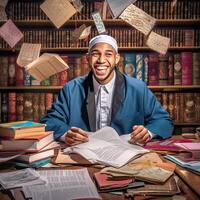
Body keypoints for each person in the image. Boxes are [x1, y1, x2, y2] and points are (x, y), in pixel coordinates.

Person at [41, 34, 173, 146]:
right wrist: (66, 135)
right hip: (84, 157)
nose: (101, 60)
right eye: (95, 54)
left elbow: (164, 121)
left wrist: (148, 133)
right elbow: (50, 122)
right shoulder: (71, 89)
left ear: (116, 59)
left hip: (125, 158)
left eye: (108, 54)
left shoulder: (138, 88)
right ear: (87, 59)